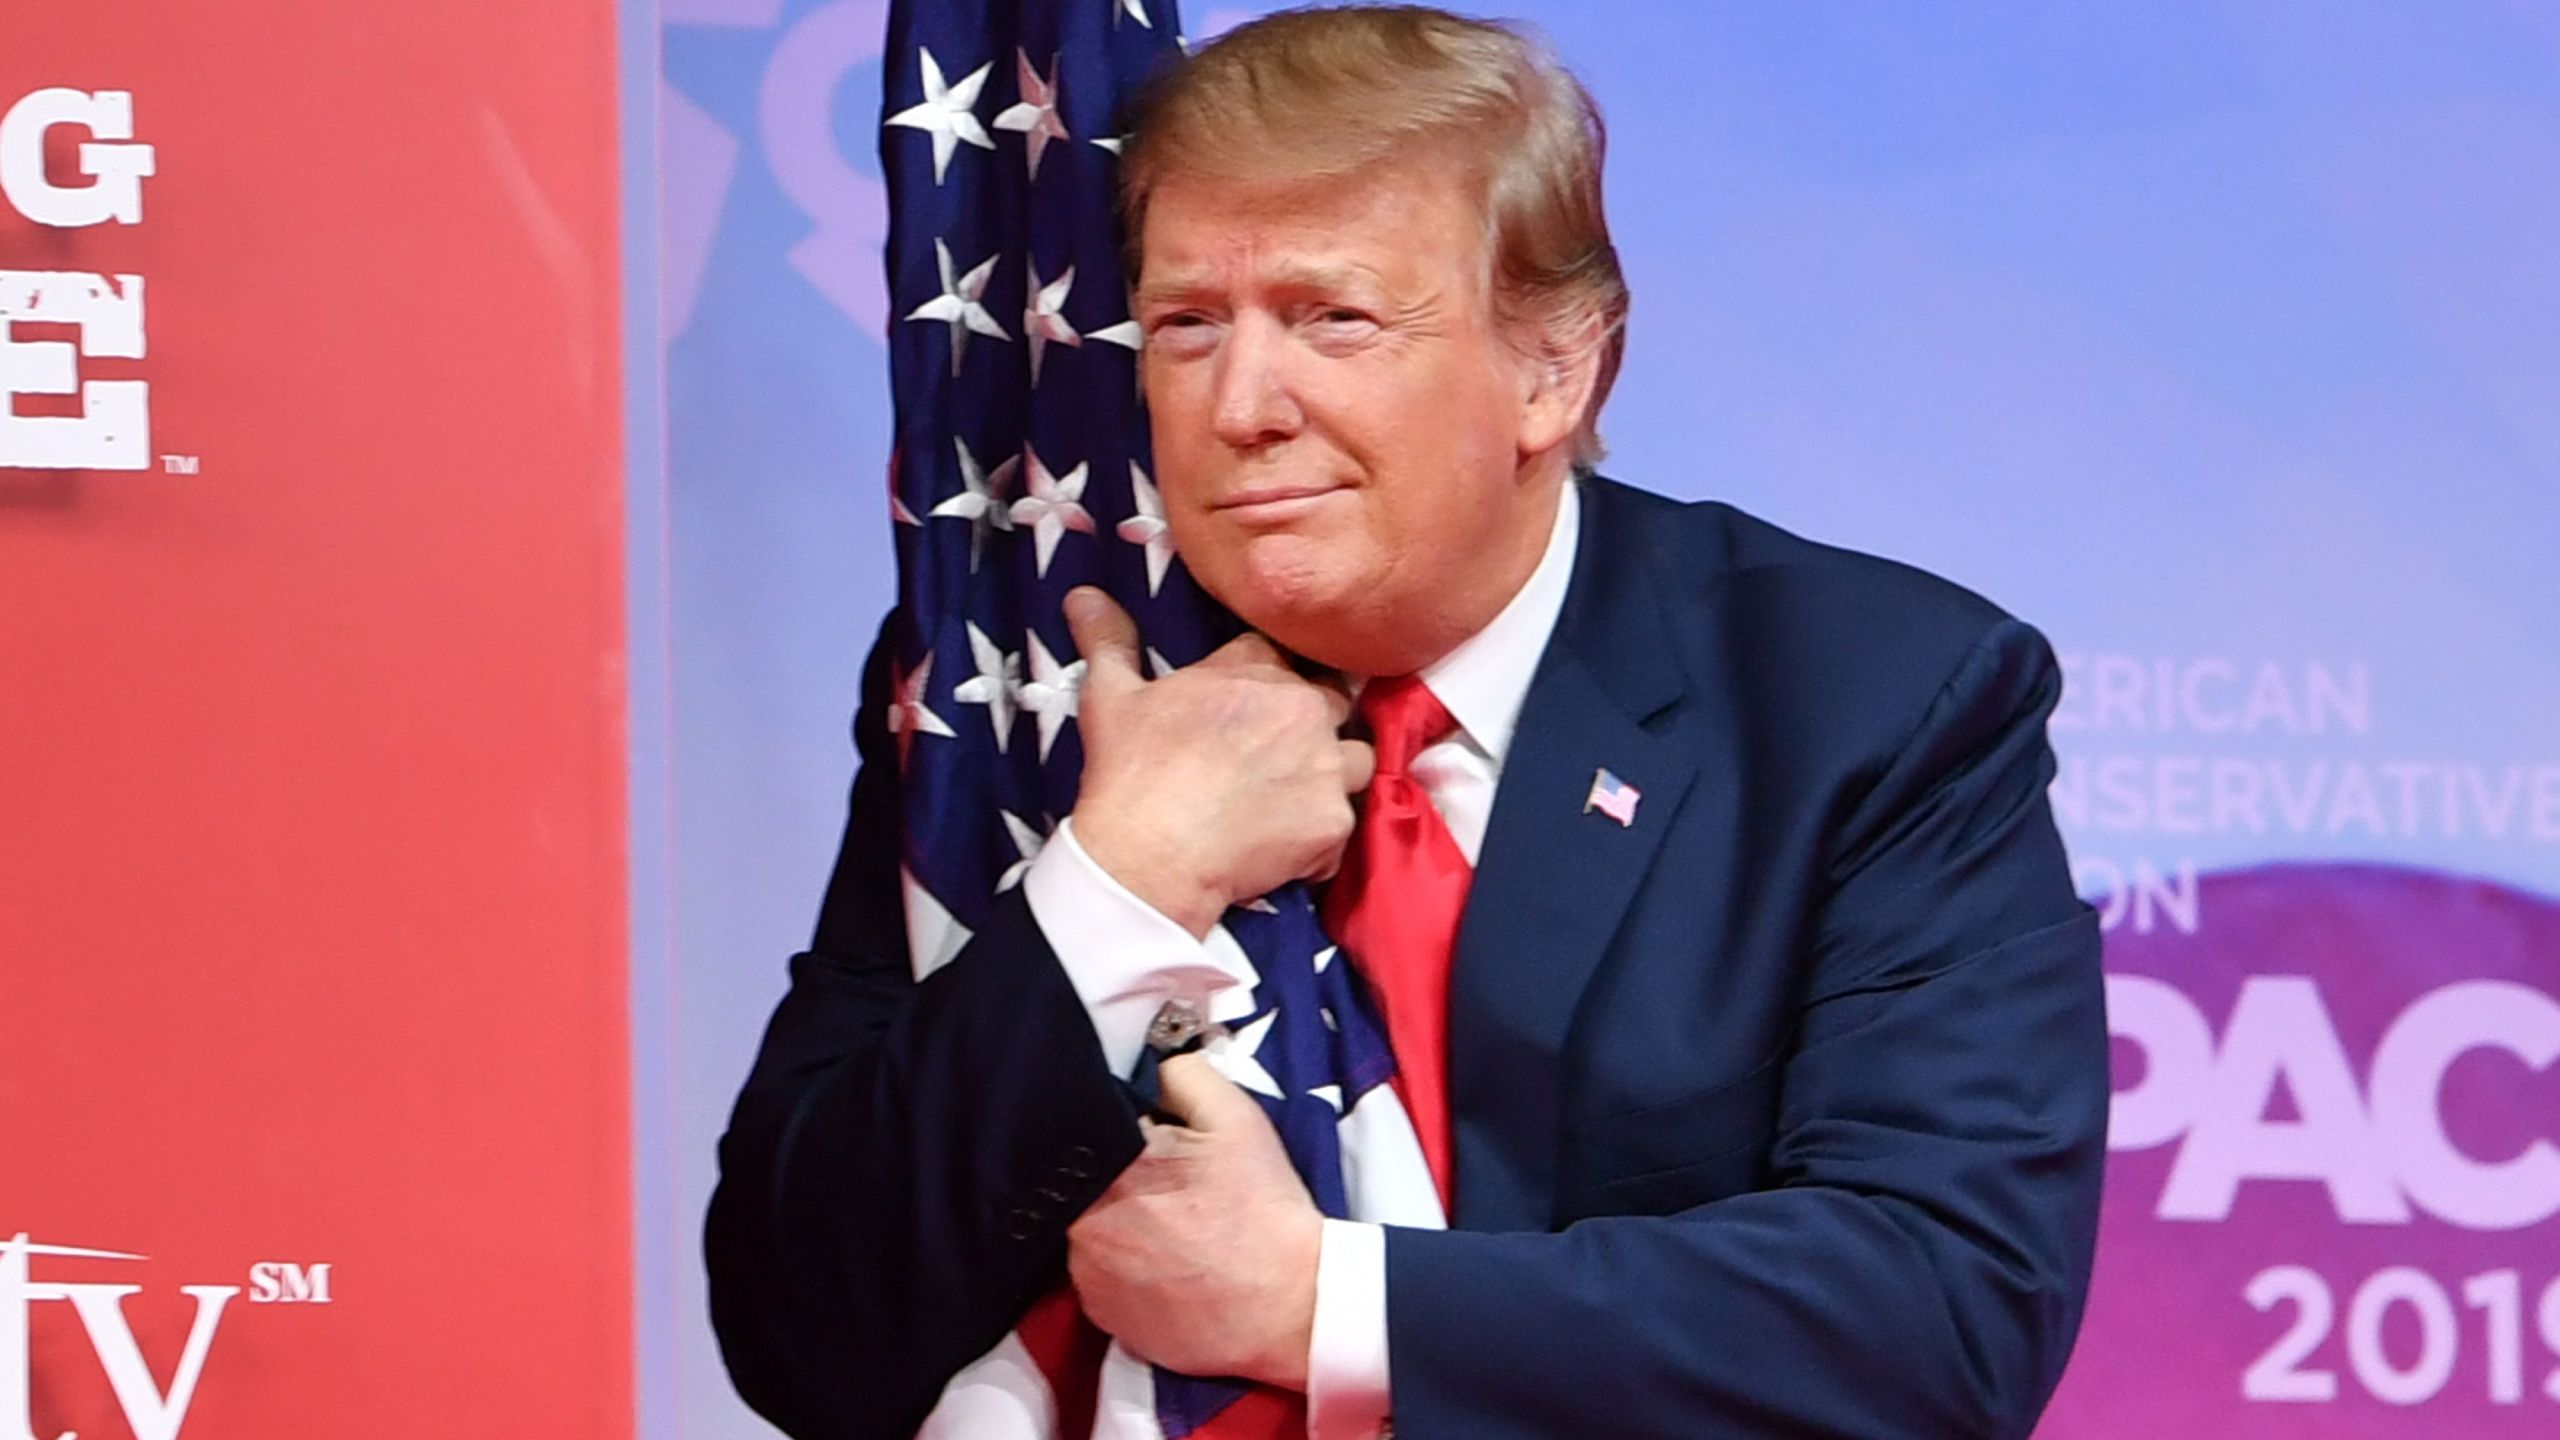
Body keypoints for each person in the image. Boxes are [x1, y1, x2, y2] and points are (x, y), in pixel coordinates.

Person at [705, 7, 2109, 1439]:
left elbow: (1943, 1314)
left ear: (1554, 369)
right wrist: (1119, 880)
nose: (1241, 405)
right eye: (1188, 324)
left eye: (1335, 318)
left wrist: (1319, 1302)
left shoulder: (1866, 700)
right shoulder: (1026, 685)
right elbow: (799, 1325)